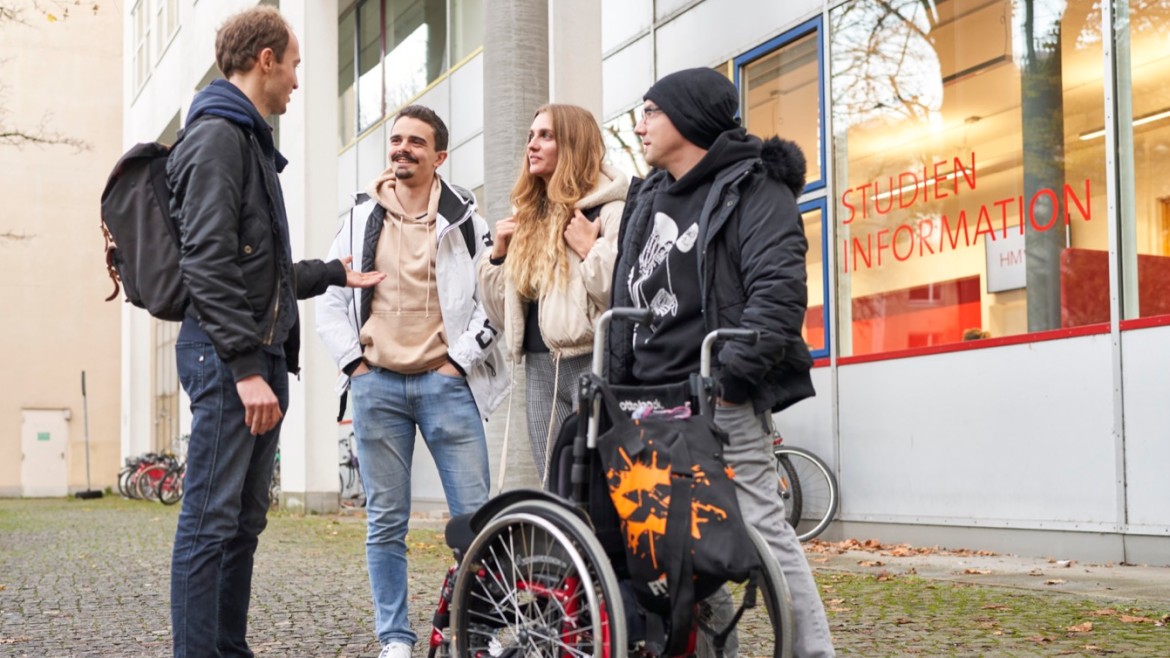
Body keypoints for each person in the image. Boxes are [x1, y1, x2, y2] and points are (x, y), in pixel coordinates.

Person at [166, 7, 384, 658]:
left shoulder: (245, 136)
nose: (295, 80)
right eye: (292, 65)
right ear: (265, 60)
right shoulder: (217, 138)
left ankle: (226, 649)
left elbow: (252, 266)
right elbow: (207, 260)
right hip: (230, 358)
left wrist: (330, 273)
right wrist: (244, 367)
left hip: (252, 352)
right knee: (210, 522)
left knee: (240, 524)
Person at [607, 67, 835, 657]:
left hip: (717, 393)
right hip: (650, 400)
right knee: (677, 543)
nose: (640, 124)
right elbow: (627, 297)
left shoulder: (753, 187)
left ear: (688, 116)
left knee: (762, 528)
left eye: (652, 111)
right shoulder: (651, 193)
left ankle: (813, 652)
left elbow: (778, 293)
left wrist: (731, 380)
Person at [315, 105, 508, 658]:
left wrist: (459, 361)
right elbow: (331, 300)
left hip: (446, 385)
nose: (402, 149)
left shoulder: (466, 217)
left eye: (415, 142)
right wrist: (355, 365)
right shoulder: (359, 217)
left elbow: (494, 298)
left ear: (439, 155)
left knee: (475, 519)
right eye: (396, 140)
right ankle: (394, 639)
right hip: (378, 385)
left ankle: (486, 630)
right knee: (385, 523)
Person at [478, 104, 628, 482]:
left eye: (546, 136)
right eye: (531, 136)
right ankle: (563, 545)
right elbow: (501, 316)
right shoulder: (527, 216)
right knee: (553, 481)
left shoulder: (608, 210)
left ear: (573, 144)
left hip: (592, 363)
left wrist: (589, 249)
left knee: (602, 482)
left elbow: (622, 294)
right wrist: (498, 258)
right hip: (539, 368)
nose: (532, 145)